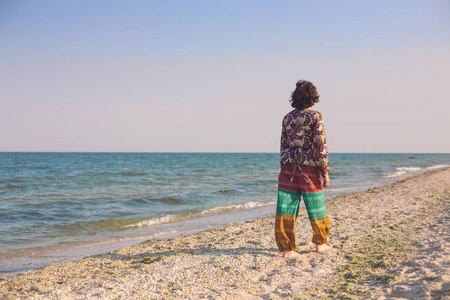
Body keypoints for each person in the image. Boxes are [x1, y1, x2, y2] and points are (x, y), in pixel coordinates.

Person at [275, 80, 332, 258]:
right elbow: (320, 145)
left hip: (288, 168)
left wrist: (284, 165)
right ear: (313, 97)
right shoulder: (315, 117)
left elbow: (283, 145)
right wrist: (325, 172)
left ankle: (287, 249)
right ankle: (320, 244)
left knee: (286, 208)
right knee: (316, 207)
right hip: (309, 169)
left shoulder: (287, 118)